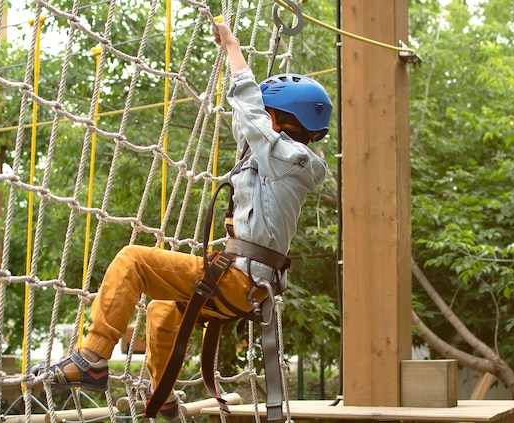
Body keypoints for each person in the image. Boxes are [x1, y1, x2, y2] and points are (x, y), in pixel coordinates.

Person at [31, 21, 332, 419]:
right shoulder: (282, 158)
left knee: (133, 260)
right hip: (248, 284)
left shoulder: (288, 159)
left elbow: (250, 112)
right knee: (161, 310)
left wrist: (233, 49)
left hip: (242, 279)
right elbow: (248, 124)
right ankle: (165, 396)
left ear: (280, 121)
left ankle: (92, 358)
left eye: (270, 113)